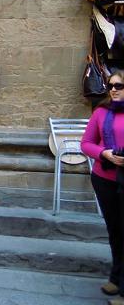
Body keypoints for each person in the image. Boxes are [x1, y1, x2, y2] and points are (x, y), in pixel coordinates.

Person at [81, 70, 124, 304]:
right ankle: (116, 277)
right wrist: (104, 153)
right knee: (115, 232)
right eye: (111, 86)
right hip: (105, 177)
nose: (114, 90)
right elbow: (86, 144)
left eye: (119, 86)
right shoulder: (101, 112)